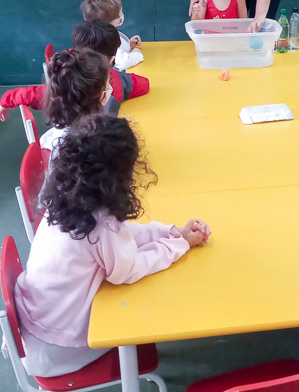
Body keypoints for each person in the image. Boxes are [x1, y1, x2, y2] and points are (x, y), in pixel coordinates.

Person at [14, 113, 211, 377]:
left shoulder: (67, 195)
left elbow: (120, 237)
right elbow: (127, 271)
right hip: (59, 350)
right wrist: (179, 244)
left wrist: (169, 231)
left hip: (37, 331)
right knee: (145, 308)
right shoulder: (101, 222)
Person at [0, 21, 149, 121]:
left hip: (70, 145)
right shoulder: (117, 82)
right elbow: (143, 84)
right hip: (104, 144)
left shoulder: (63, 83)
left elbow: (32, 94)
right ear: (112, 59)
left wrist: (6, 100)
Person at [39, 48, 111, 153]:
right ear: (99, 96)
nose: (109, 88)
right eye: (107, 85)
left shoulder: (60, 136)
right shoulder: (85, 148)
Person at [80, 0, 144, 70]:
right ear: (115, 21)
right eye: (120, 13)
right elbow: (122, 63)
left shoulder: (93, 35)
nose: (122, 15)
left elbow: (118, 52)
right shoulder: (109, 40)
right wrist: (136, 52)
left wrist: (129, 46)